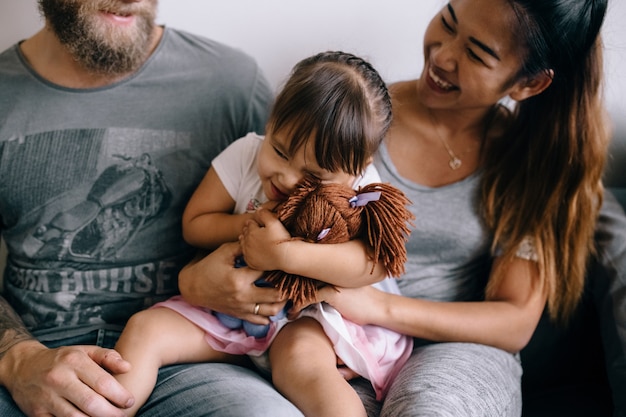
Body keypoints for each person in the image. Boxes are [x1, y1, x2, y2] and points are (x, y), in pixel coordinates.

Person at [182, 0, 613, 415]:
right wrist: (197, 281)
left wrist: (376, 310)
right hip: (310, 330)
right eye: (447, 21)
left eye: (478, 54)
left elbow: (513, 321)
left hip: (446, 347)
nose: (442, 56)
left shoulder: (533, 164)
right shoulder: (349, 120)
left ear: (528, 84)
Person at [0, 0, 313, 416]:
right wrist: (17, 358)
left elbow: (315, 224)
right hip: (38, 358)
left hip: (189, 360)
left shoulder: (232, 83)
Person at [113, 51, 414, 417]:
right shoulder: (244, 154)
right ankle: (109, 409)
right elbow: (195, 223)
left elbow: (374, 264)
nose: (286, 178)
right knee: (146, 329)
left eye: (314, 176)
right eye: (279, 151)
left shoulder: (363, 189)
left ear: (356, 171)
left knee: (304, 364)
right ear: (270, 123)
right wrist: (248, 229)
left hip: (307, 316)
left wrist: (284, 254)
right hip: (228, 306)